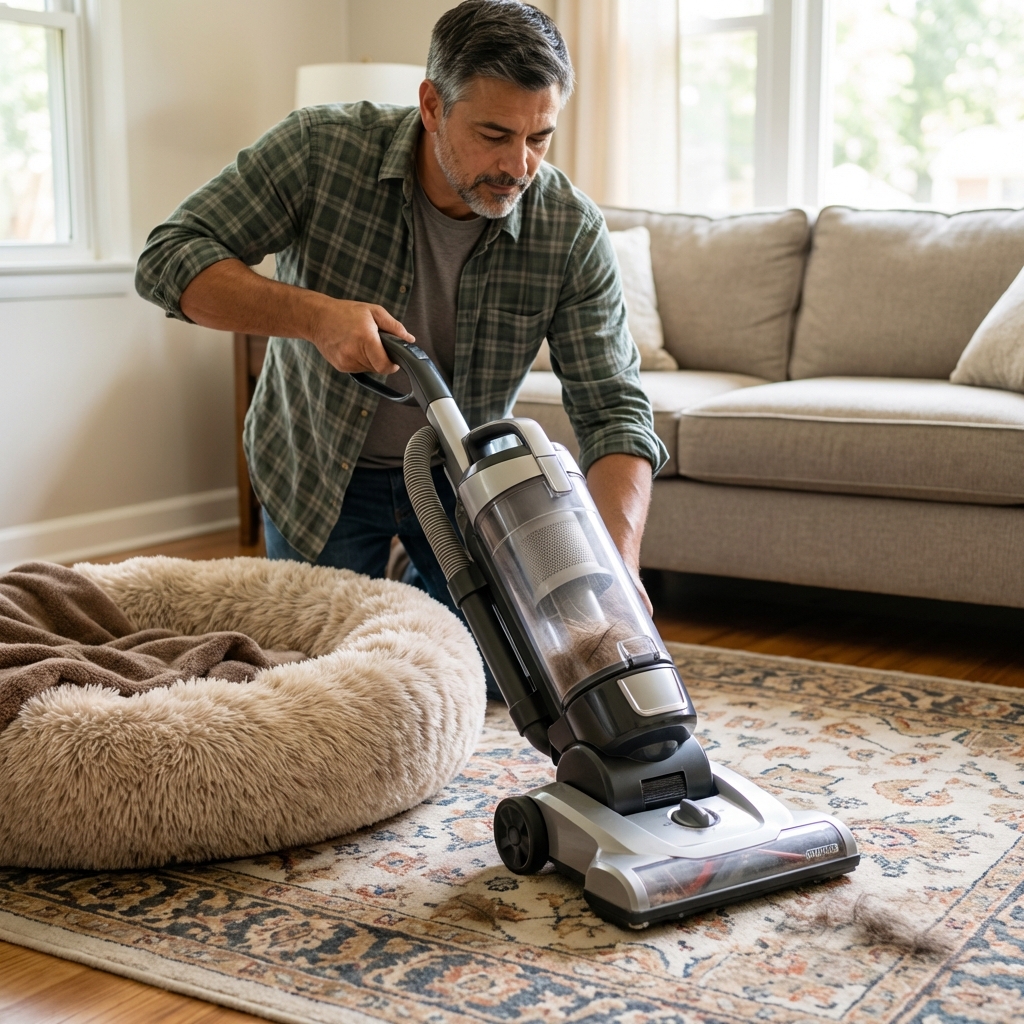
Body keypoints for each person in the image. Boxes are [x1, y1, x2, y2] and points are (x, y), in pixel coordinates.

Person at [135, 0, 668, 693]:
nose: (519, 165)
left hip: (454, 488)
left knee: (475, 682)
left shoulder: (568, 229)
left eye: (541, 137)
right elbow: (167, 261)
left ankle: (422, 583)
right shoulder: (320, 151)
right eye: (494, 134)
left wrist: (617, 566)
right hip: (316, 471)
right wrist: (316, 317)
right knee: (313, 686)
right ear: (431, 105)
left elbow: (615, 409)